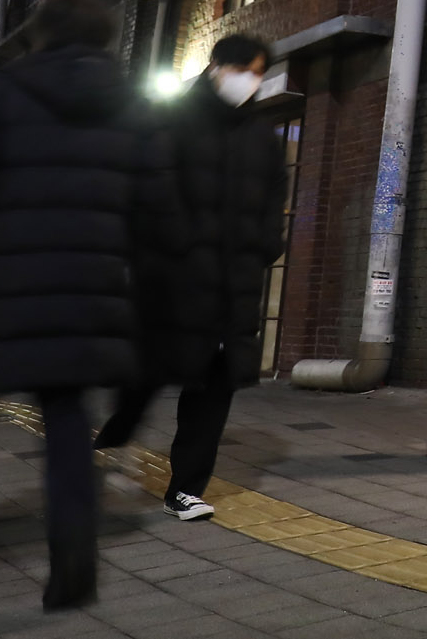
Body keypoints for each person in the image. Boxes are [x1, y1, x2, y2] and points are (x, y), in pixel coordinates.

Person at [0, 0, 167, 611]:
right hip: (83, 288)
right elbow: (152, 211)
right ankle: (73, 556)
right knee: (69, 421)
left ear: (38, 38)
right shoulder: (134, 110)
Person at [94, 34, 286, 523]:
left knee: (214, 384)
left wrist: (265, 247)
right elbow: (145, 190)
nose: (251, 81)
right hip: (172, 279)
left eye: (259, 72)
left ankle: (185, 489)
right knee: (149, 372)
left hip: (233, 280)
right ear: (217, 66)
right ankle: (115, 439)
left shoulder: (262, 135)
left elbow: (272, 203)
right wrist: (173, 246)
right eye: (244, 69)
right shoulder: (171, 116)